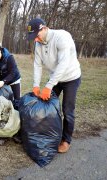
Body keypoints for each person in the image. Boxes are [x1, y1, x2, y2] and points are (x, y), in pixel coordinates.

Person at [27, 18, 81, 153]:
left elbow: (64, 64)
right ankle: (50, 133)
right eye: (33, 37)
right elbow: (38, 65)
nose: (35, 40)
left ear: (44, 28)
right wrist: (36, 85)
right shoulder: (38, 43)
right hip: (55, 79)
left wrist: (49, 86)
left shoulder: (62, 37)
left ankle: (66, 140)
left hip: (71, 78)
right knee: (47, 104)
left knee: (67, 110)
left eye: (37, 35)